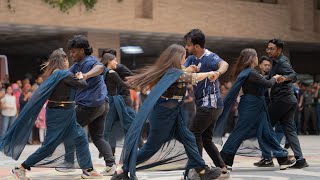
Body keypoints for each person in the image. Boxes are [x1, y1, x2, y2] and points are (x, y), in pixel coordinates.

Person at [111, 44, 223, 180]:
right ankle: (123, 169)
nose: (185, 58)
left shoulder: (174, 71)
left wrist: (188, 69)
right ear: (178, 57)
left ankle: (202, 170)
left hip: (174, 113)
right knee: (151, 148)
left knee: (189, 139)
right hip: (163, 115)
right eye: (184, 56)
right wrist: (208, 73)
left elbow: (182, 74)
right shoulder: (174, 72)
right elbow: (190, 78)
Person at [0, 49, 102, 180]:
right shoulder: (62, 74)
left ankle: (88, 169)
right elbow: (82, 84)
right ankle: (20, 168)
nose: (67, 62)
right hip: (59, 114)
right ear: (62, 61)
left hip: (65, 113)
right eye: (66, 60)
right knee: (49, 146)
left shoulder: (56, 74)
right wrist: (82, 76)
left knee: (81, 138)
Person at [214, 48, 296, 170]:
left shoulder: (251, 72)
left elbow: (264, 81)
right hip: (251, 106)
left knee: (267, 133)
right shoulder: (250, 72)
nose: (257, 58)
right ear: (252, 58)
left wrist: (271, 78)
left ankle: (282, 159)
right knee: (240, 132)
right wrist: (275, 77)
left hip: (258, 106)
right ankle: (225, 160)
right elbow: (268, 84)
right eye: (256, 56)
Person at [67, 35, 116, 175]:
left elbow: (100, 68)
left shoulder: (91, 61)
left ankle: (78, 165)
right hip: (102, 105)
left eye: (74, 51)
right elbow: (65, 76)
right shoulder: (76, 65)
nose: (72, 54)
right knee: (97, 137)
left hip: (91, 105)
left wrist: (86, 76)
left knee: (70, 130)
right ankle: (111, 165)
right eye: (70, 52)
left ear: (82, 50)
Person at [183, 29, 229, 175]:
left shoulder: (210, 57)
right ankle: (222, 167)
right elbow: (181, 71)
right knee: (206, 138)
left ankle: (199, 168)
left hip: (211, 105)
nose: (186, 48)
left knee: (193, 133)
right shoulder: (191, 59)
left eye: (188, 45)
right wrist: (188, 69)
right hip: (207, 105)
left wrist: (218, 73)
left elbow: (224, 64)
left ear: (196, 46)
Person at [261, 39, 308, 168]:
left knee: (264, 126)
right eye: (268, 48)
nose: (269, 51)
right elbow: (270, 78)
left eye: (272, 49)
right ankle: (300, 159)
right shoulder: (275, 62)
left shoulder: (282, 61)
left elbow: (293, 75)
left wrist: (285, 78)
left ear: (279, 50)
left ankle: (273, 157)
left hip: (282, 100)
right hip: (288, 101)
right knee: (290, 130)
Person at [101, 53, 138, 157]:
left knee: (108, 127)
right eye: (115, 60)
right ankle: (140, 147)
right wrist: (137, 83)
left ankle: (107, 153)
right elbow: (123, 84)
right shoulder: (112, 73)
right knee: (128, 122)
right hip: (114, 101)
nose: (116, 62)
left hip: (106, 101)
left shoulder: (102, 72)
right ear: (109, 61)